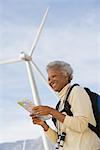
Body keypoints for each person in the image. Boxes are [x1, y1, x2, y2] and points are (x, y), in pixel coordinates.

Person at [30, 60, 100, 150]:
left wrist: (51, 111)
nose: (50, 81)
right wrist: (43, 125)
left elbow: (82, 125)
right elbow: (60, 141)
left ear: (66, 75)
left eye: (54, 76)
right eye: (49, 79)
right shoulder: (60, 104)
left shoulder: (77, 91)